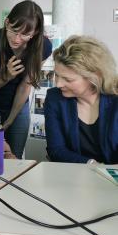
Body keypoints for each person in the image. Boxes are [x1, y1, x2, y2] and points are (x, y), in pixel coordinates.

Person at [0, 0, 52, 159]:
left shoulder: (43, 46)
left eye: (25, 34)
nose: (17, 39)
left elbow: (25, 86)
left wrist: (9, 121)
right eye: (14, 30)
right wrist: (6, 77)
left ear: (35, 32)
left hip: (18, 104)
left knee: (14, 156)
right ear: (7, 22)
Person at [44, 35, 118, 164]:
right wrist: (93, 165)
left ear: (94, 77)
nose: (59, 84)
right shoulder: (54, 98)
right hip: (75, 176)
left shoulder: (115, 100)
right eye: (57, 75)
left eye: (68, 79)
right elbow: (56, 150)